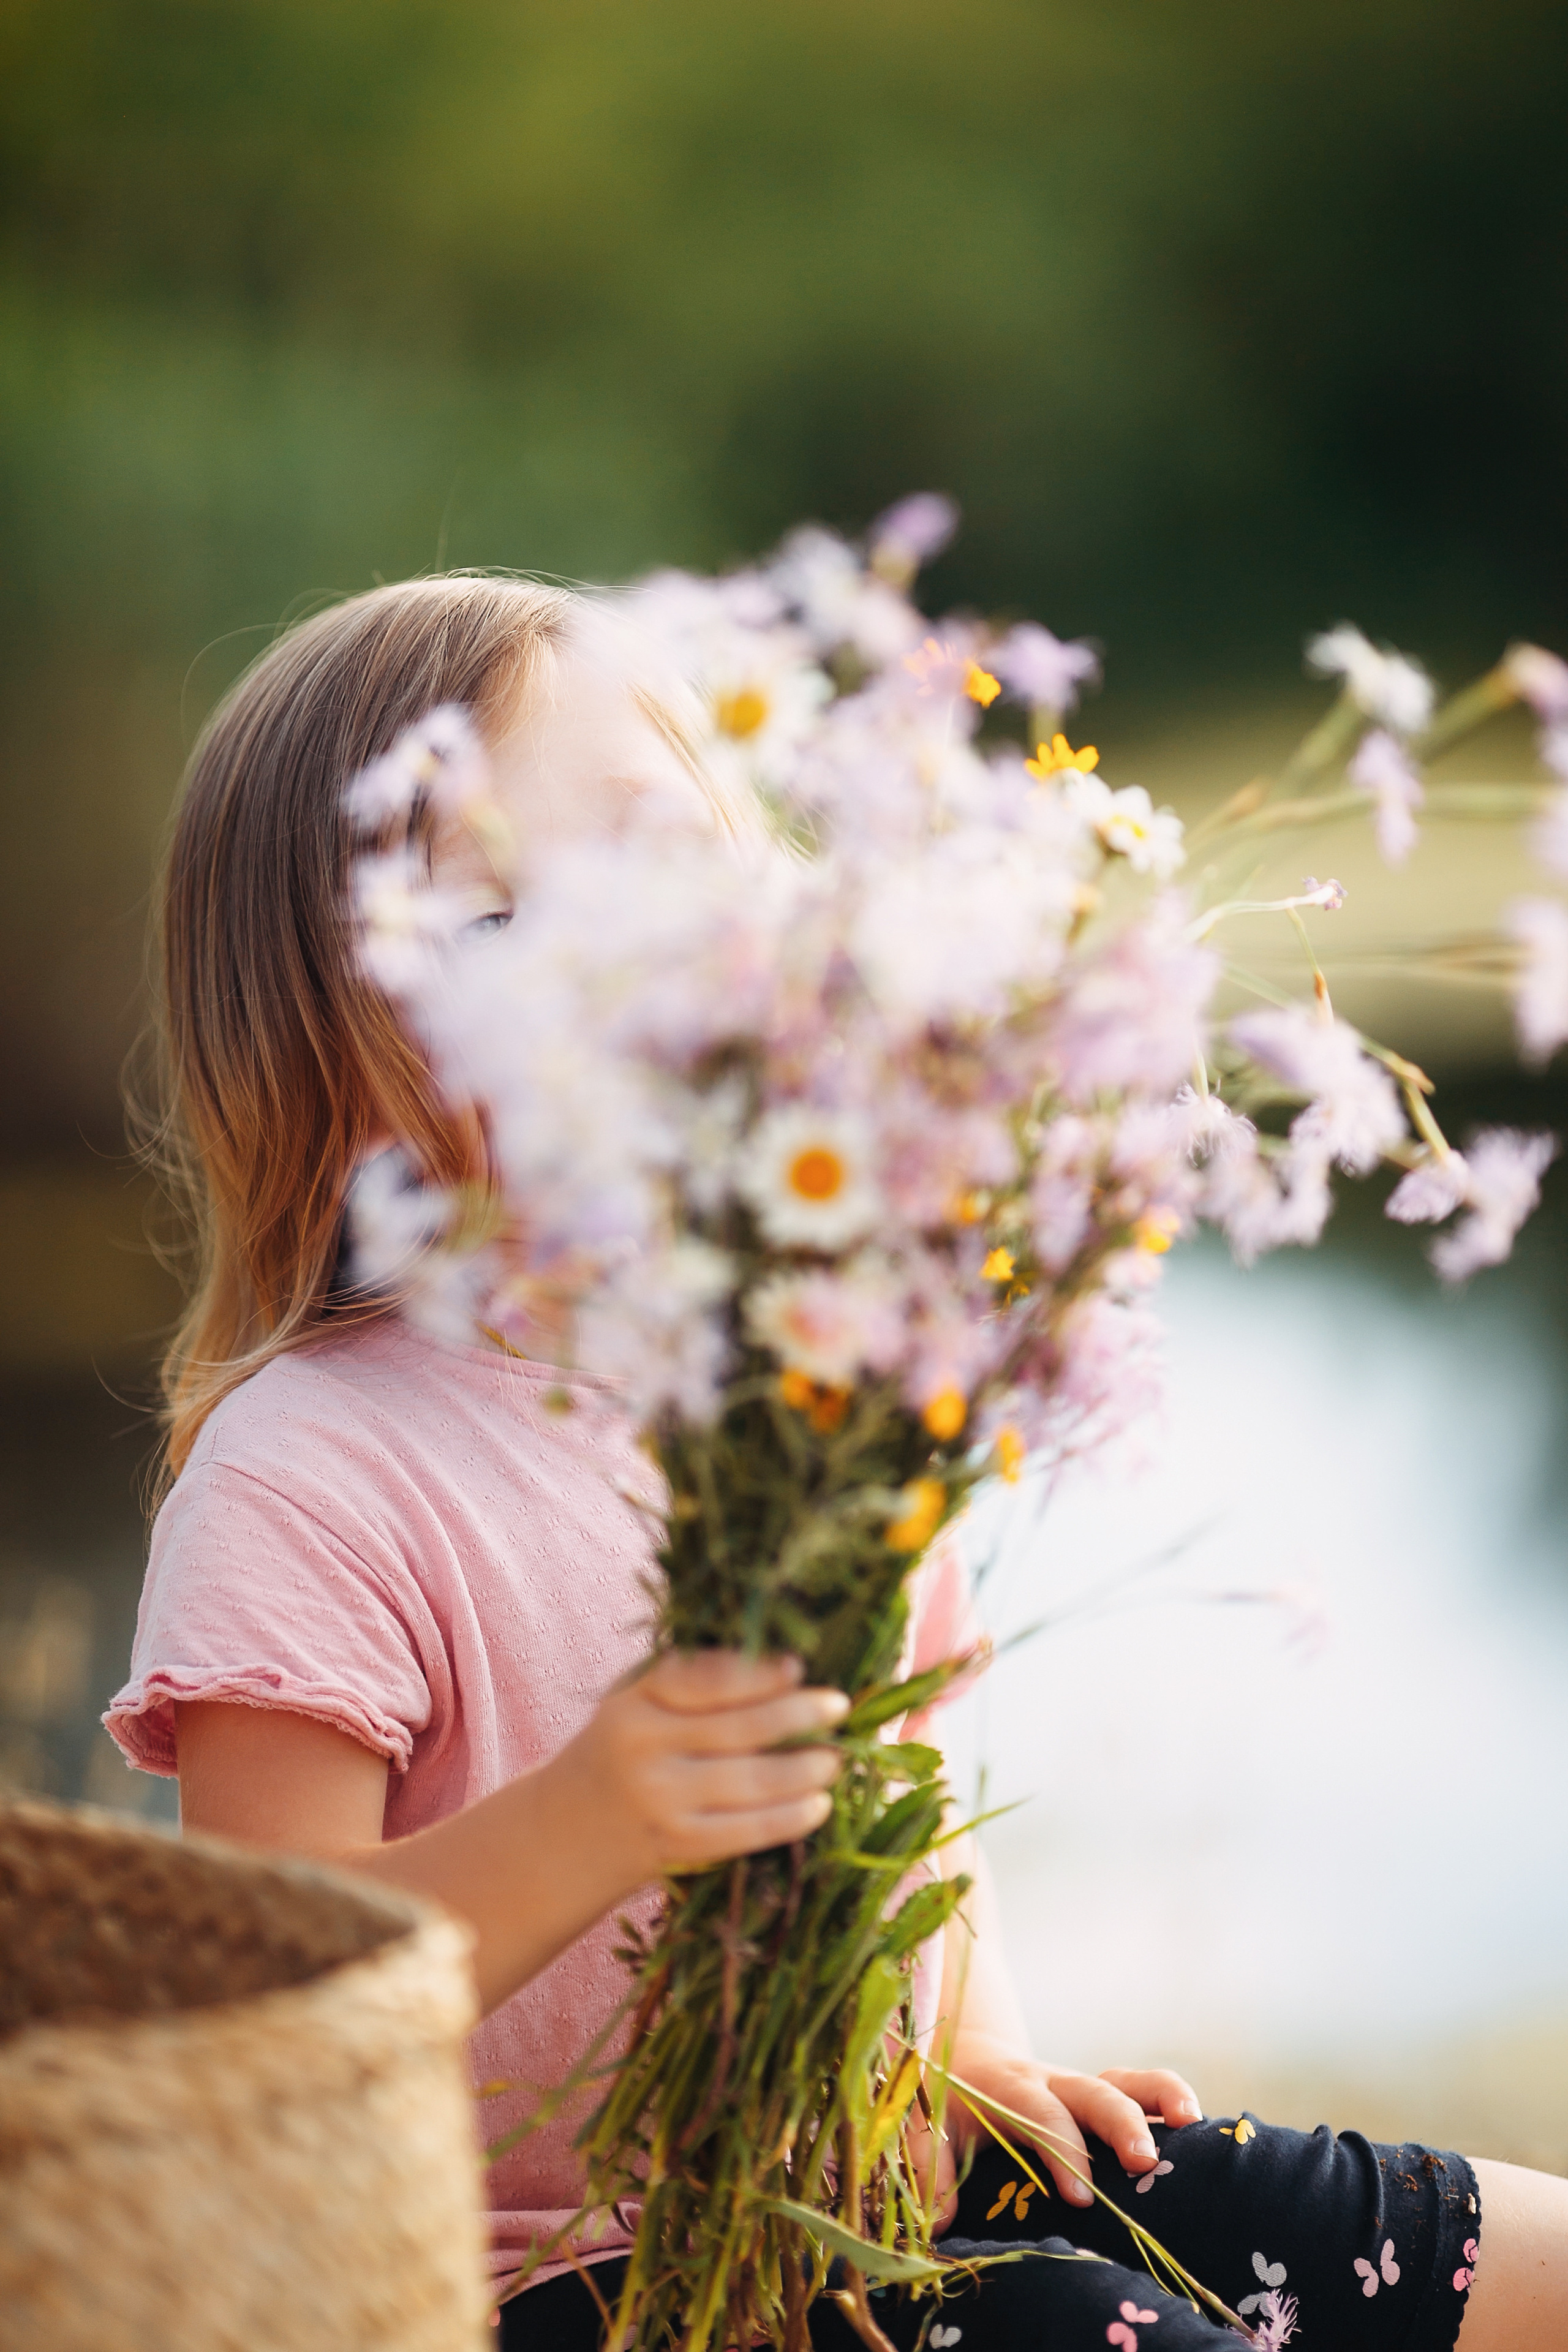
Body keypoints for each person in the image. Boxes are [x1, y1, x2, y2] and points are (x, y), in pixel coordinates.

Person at [107, 575, 1567, 2351]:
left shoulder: (811, 1381)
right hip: (556, 2288)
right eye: (489, 922)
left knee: (1511, 2258)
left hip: (875, 2175)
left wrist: (976, 2052)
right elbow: (264, 2012)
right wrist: (588, 1822)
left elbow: (907, 1770)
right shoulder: (307, 1472)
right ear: (315, 1049)